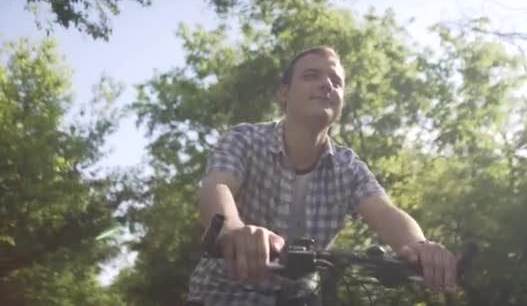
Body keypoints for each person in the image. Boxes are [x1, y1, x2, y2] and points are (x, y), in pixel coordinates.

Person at [185, 46, 457, 306]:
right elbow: (217, 184)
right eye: (311, 76)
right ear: (285, 92)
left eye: (336, 81)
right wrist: (232, 229)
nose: (327, 84)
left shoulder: (348, 167)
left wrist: (420, 247)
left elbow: (385, 212)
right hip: (223, 295)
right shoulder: (244, 139)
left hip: (301, 299)